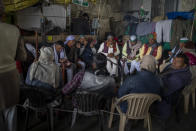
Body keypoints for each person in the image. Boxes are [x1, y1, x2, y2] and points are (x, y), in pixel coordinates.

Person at [0, 1, 27, 131]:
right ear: (3, 13)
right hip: (9, 79)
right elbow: (22, 57)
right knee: (10, 113)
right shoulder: (14, 30)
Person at [157, 53, 192, 119]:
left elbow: (163, 92)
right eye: (174, 60)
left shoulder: (177, 78)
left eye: (178, 62)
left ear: (184, 65)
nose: (174, 63)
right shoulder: (178, 68)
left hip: (166, 98)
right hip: (163, 85)